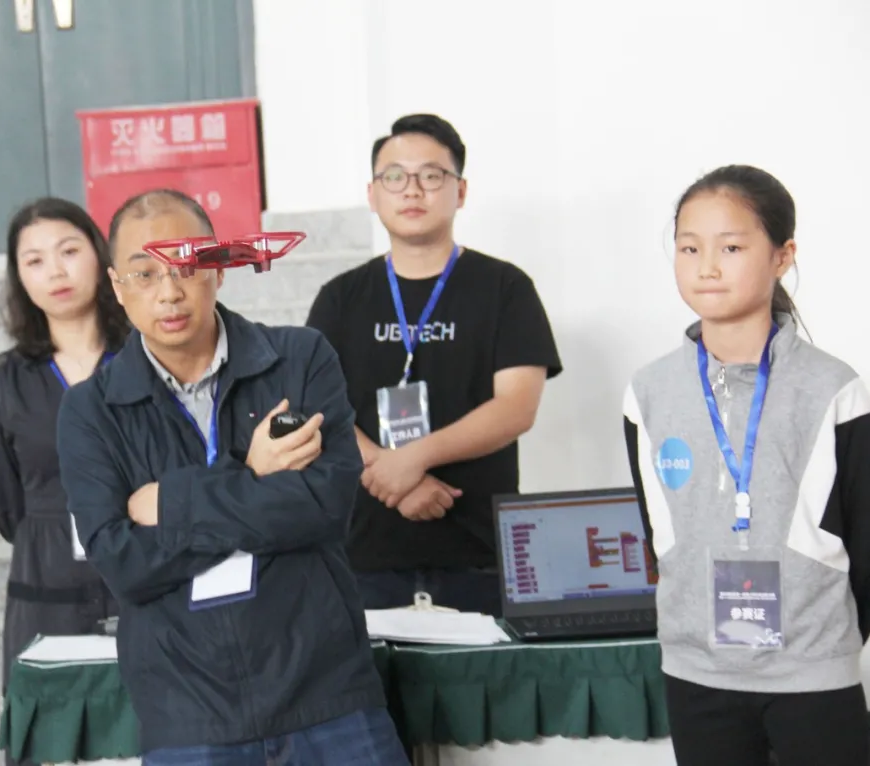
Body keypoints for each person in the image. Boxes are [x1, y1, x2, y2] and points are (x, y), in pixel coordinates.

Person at [55, 189, 408, 765]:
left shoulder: (299, 359)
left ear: (218, 269)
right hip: (188, 712)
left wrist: (170, 503)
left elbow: (325, 506)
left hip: (327, 692)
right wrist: (251, 473)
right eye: (144, 274)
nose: (169, 292)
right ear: (117, 287)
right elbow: (124, 564)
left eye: (187, 267)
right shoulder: (91, 411)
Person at [622, 164, 870, 766]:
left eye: (731, 248)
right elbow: (657, 532)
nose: (707, 266)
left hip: (813, 674)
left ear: (783, 256)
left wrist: (827, 643)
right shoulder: (648, 392)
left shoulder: (834, 388)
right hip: (696, 673)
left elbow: (865, 542)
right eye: (689, 248)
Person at [305, 114, 562, 615]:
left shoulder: (505, 288)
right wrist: (390, 474)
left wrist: (411, 459)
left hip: (481, 557)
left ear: (460, 191)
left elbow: (516, 408)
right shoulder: (340, 297)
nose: (412, 190)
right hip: (363, 558)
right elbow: (317, 406)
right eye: (394, 176)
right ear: (372, 194)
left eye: (431, 175)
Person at [0, 197, 130, 766]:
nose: (56, 272)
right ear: (19, 278)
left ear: (99, 254)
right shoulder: (6, 380)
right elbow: (6, 505)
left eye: (69, 251)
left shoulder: (143, 358)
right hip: (45, 590)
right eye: (35, 260)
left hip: (141, 578)